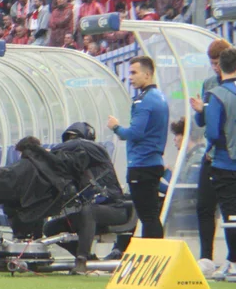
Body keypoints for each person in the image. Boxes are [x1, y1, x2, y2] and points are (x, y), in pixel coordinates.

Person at [195, 47, 236, 277]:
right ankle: (231, 260)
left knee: (231, 212)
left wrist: (224, 141)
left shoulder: (219, 93)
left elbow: (211, 132)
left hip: (223, 160)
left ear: (221, 64)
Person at [42, 123, 132, 274]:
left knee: (88, 211)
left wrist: (51, 152)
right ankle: (90, 259)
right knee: (51, 227)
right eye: (68, 140)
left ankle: (82, 261)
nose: (70, 143)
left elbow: (80, 144)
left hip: (115, 209)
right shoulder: (72, 166)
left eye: (73, 139)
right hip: (89, 213)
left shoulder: (98, 152)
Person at [107, 56, 169, 239]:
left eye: (134, 73)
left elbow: (134, 133)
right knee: (151, 216)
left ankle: (155, 257)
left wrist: (116, 127)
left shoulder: (144, 101)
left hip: (141, 165)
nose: (131, 77)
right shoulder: (160, 97)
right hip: (153, 162)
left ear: (148, 74)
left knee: (147, 217)